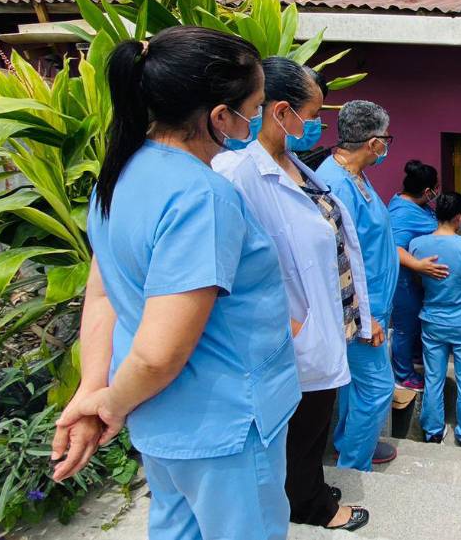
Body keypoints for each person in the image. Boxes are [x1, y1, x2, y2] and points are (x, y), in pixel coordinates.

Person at [48, 27, 301, 540]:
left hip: (163, 420)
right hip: (223, 425)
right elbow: (160, 354)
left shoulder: (120, 173)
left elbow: (103, 295)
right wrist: (107, 406)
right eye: (253, 107)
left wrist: (97, 389)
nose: (256, 119)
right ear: (219, 117)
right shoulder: (201, 197)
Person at [212, 58, 371, 532]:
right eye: (313, 114)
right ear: (281, 112)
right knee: (301, 428)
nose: (318, 125)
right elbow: (230, 264)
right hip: (292, 331)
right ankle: (313, 506)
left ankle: (307, 490)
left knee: (314, 420)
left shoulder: (294, 164)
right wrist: (291, 323)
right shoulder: (235, 174)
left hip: (324, 323)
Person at [316, 100, 397, 470]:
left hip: (374, 304)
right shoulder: (335, 184)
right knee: (378, 389)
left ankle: (349, 440)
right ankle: (352, 466)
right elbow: (334, 260)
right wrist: (363, 318)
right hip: (362, 313)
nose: (386, 148)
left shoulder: (354, 175)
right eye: (386, 140)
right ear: (373, 143)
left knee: (355, 385)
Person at [409, 193, 461, 447]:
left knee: (434, 376)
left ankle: (433, 431)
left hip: (433, 320)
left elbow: (417, 281)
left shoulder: (417, 245)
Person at [388, 160, 448, 391]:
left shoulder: (418, 206)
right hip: (402, 282)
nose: (437, 191)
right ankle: (403, 375)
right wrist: (419, 265)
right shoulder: (401, 213)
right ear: (427, 191)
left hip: (414, 283)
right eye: (436, 187)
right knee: (405, 326)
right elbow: (394, 248)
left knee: (414, 324)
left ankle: (413, 357)